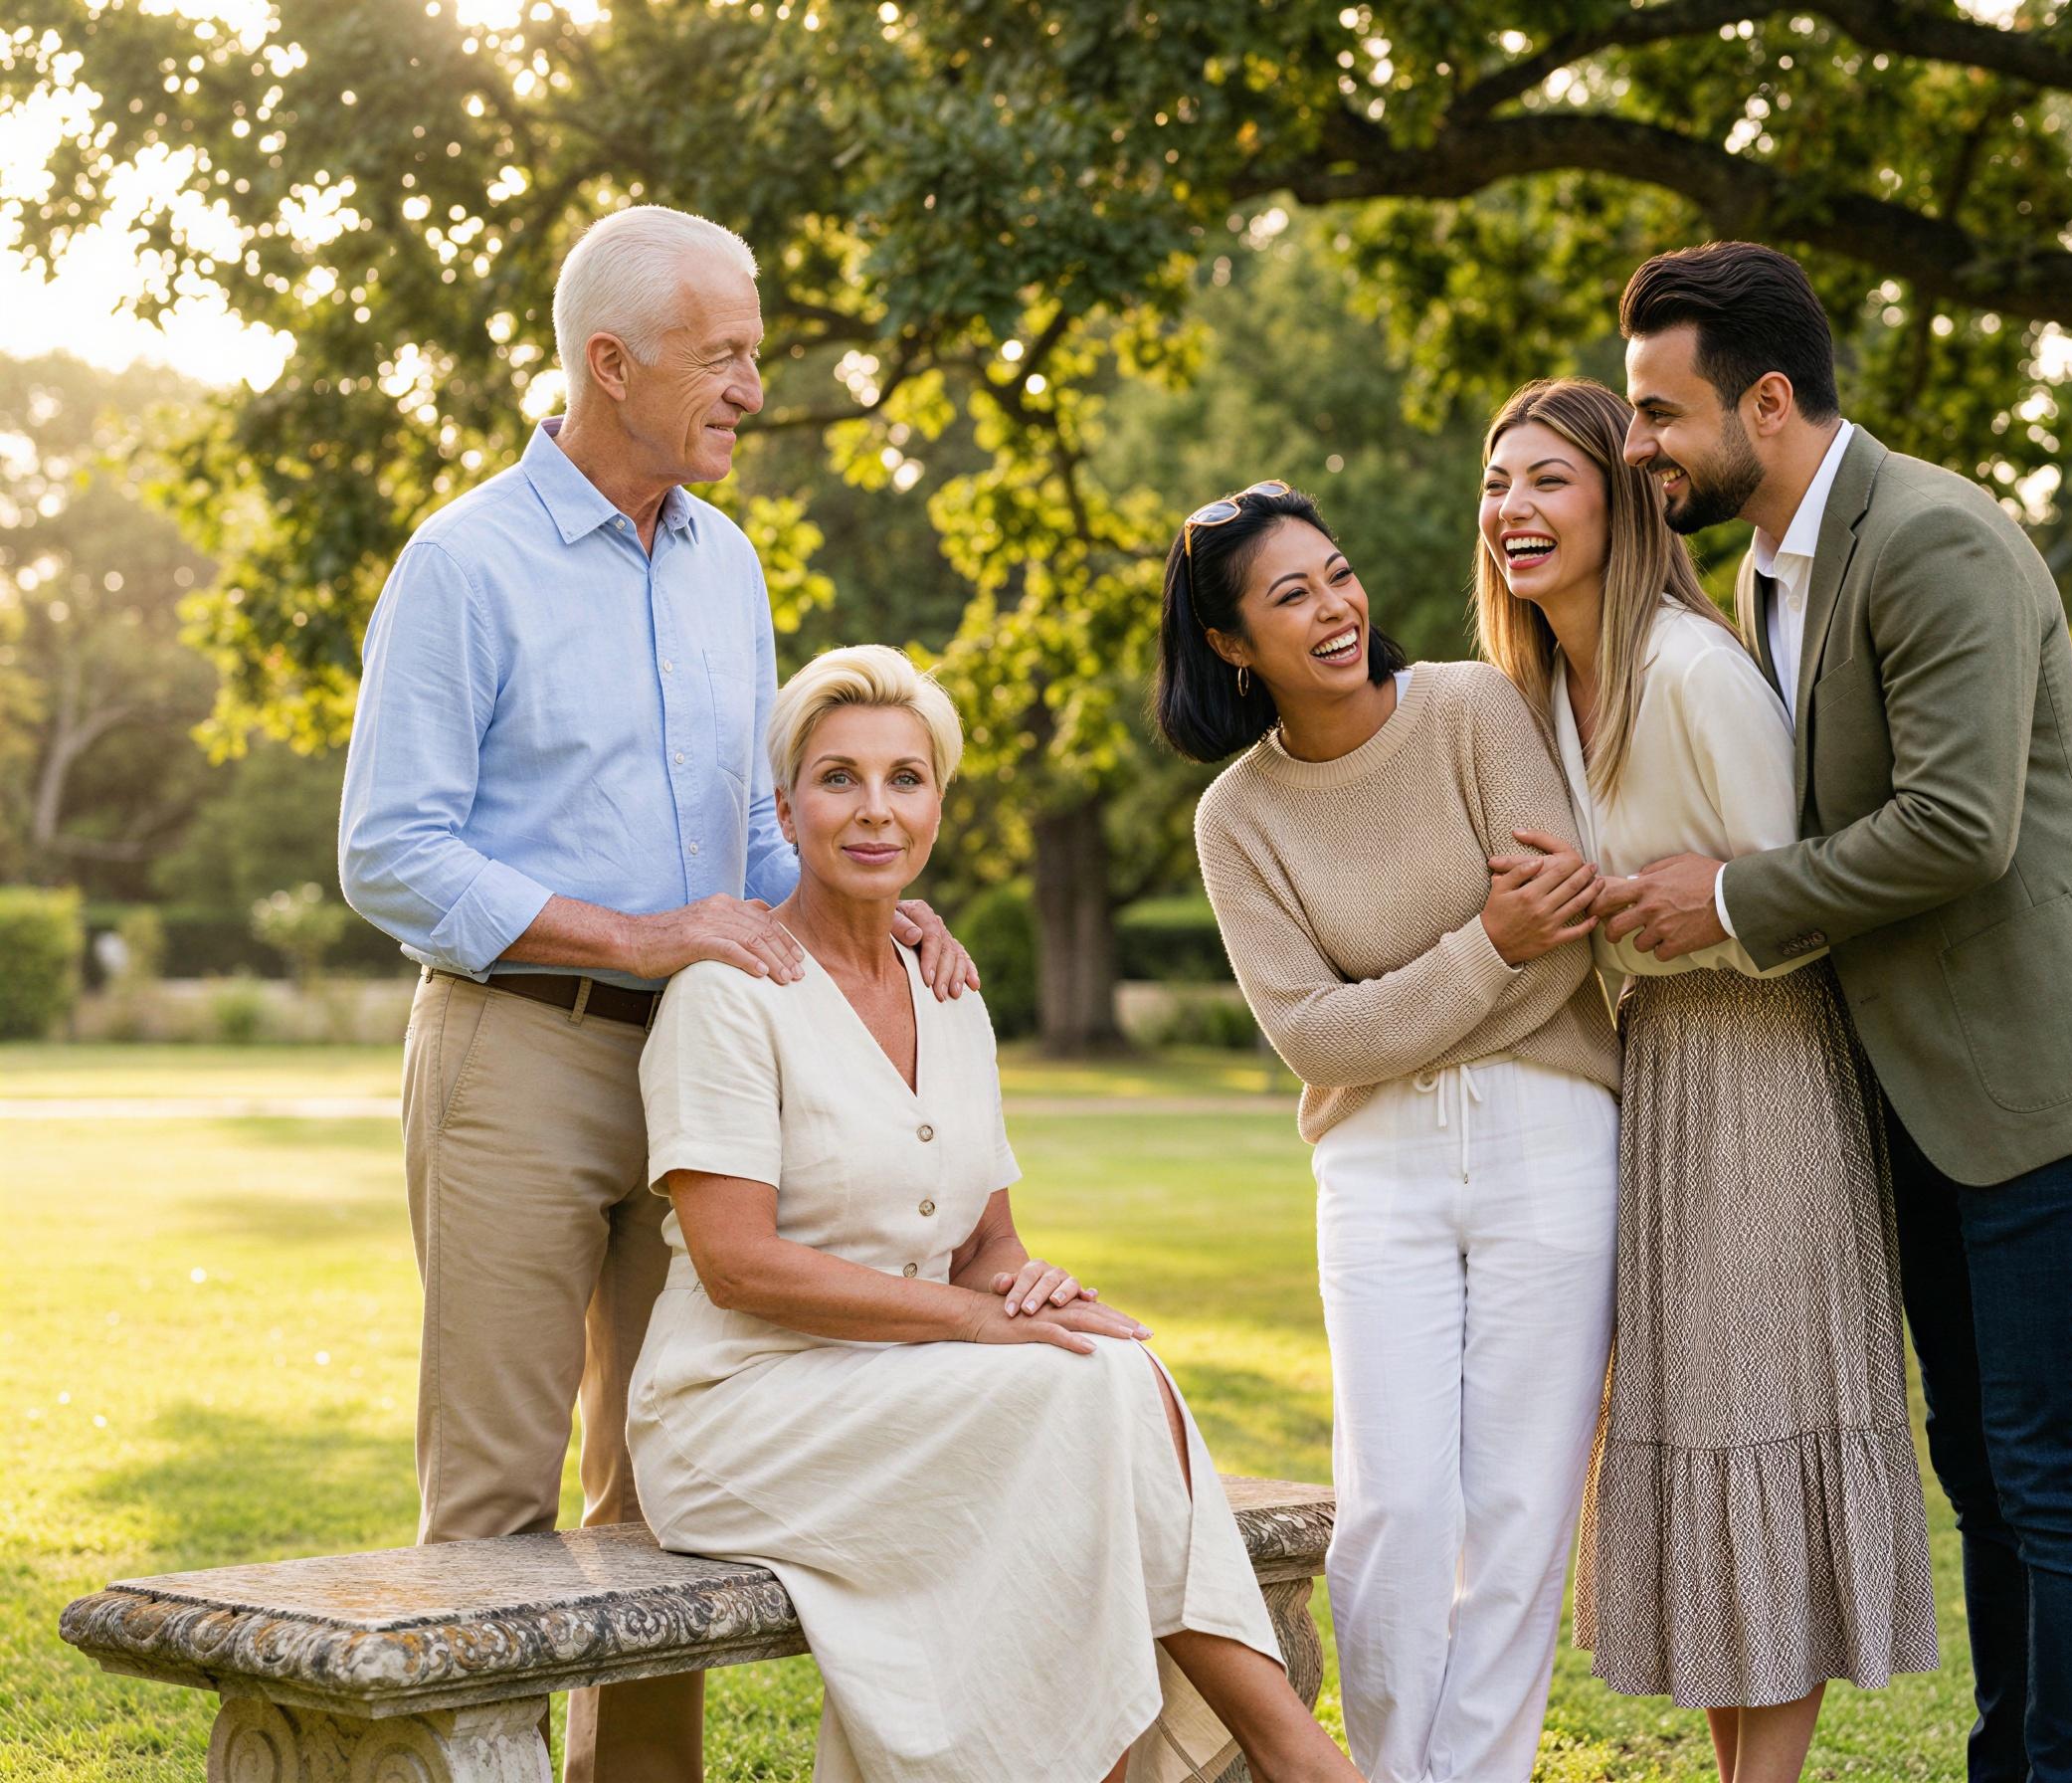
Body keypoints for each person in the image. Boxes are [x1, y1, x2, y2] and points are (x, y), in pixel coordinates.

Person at [337, 204, 973, 1781]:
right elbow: (389, 852)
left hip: (709, 1073)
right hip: (516, 1055)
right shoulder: (465, 563)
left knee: (668, 1482)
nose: (754, 386)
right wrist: (637, 938)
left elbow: (751, 834)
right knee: (494, 1501)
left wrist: (870, 906)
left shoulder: (727, 564)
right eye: (726, 354)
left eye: (756, 351)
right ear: (612, 364)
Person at [1592, 242, 2072, 1783]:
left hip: (2057, 1077)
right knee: (1986, 1472)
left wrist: (1727, 899)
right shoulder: (1772, 568)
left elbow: (1958, 827)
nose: (1637, 444)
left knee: (2056, 1472)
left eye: (1659, 412)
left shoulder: (1934, 539)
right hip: (1928, 1091)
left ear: (1768, 402)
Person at [628, 644, 1360, 1783]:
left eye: (906, 778)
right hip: (739, 1413)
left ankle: (1269, 1757)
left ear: (938, 805)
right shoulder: (726, 995)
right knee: (1080, 1410)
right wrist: (976, 1320)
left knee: (1109, 1367)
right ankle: (1295, 1754)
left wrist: (1026, 1289)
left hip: (906, 1391)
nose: (875, 809)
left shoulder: (950, 995)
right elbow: (738, 1265)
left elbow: (987, 1246)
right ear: (784, 808)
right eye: (838, 778)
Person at [1476, 376, 1937, 1782]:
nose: (1513, 509)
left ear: (1622, 504)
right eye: (1497, 483)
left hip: (1763, 1064)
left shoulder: (1691, 669)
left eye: (1548, 480)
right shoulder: (1534, 697)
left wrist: (1657, 908)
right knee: (1699, 1429)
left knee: (1761, 1430)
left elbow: (1794, 904)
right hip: (1655, 1073)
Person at [1159, 483, 1621, 1783]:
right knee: (1397, 1508)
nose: (1335, 607)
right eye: (1290, 595)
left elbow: (1562, 937)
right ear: (1232, 644)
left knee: (1520, 1512)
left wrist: (1410, 1004)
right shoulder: (1237, 818)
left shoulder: (1473, 708)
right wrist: (1485, 944)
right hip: (1377, 1170)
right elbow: (1315, 1039)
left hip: (1551, 1136)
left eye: (1339, 573)